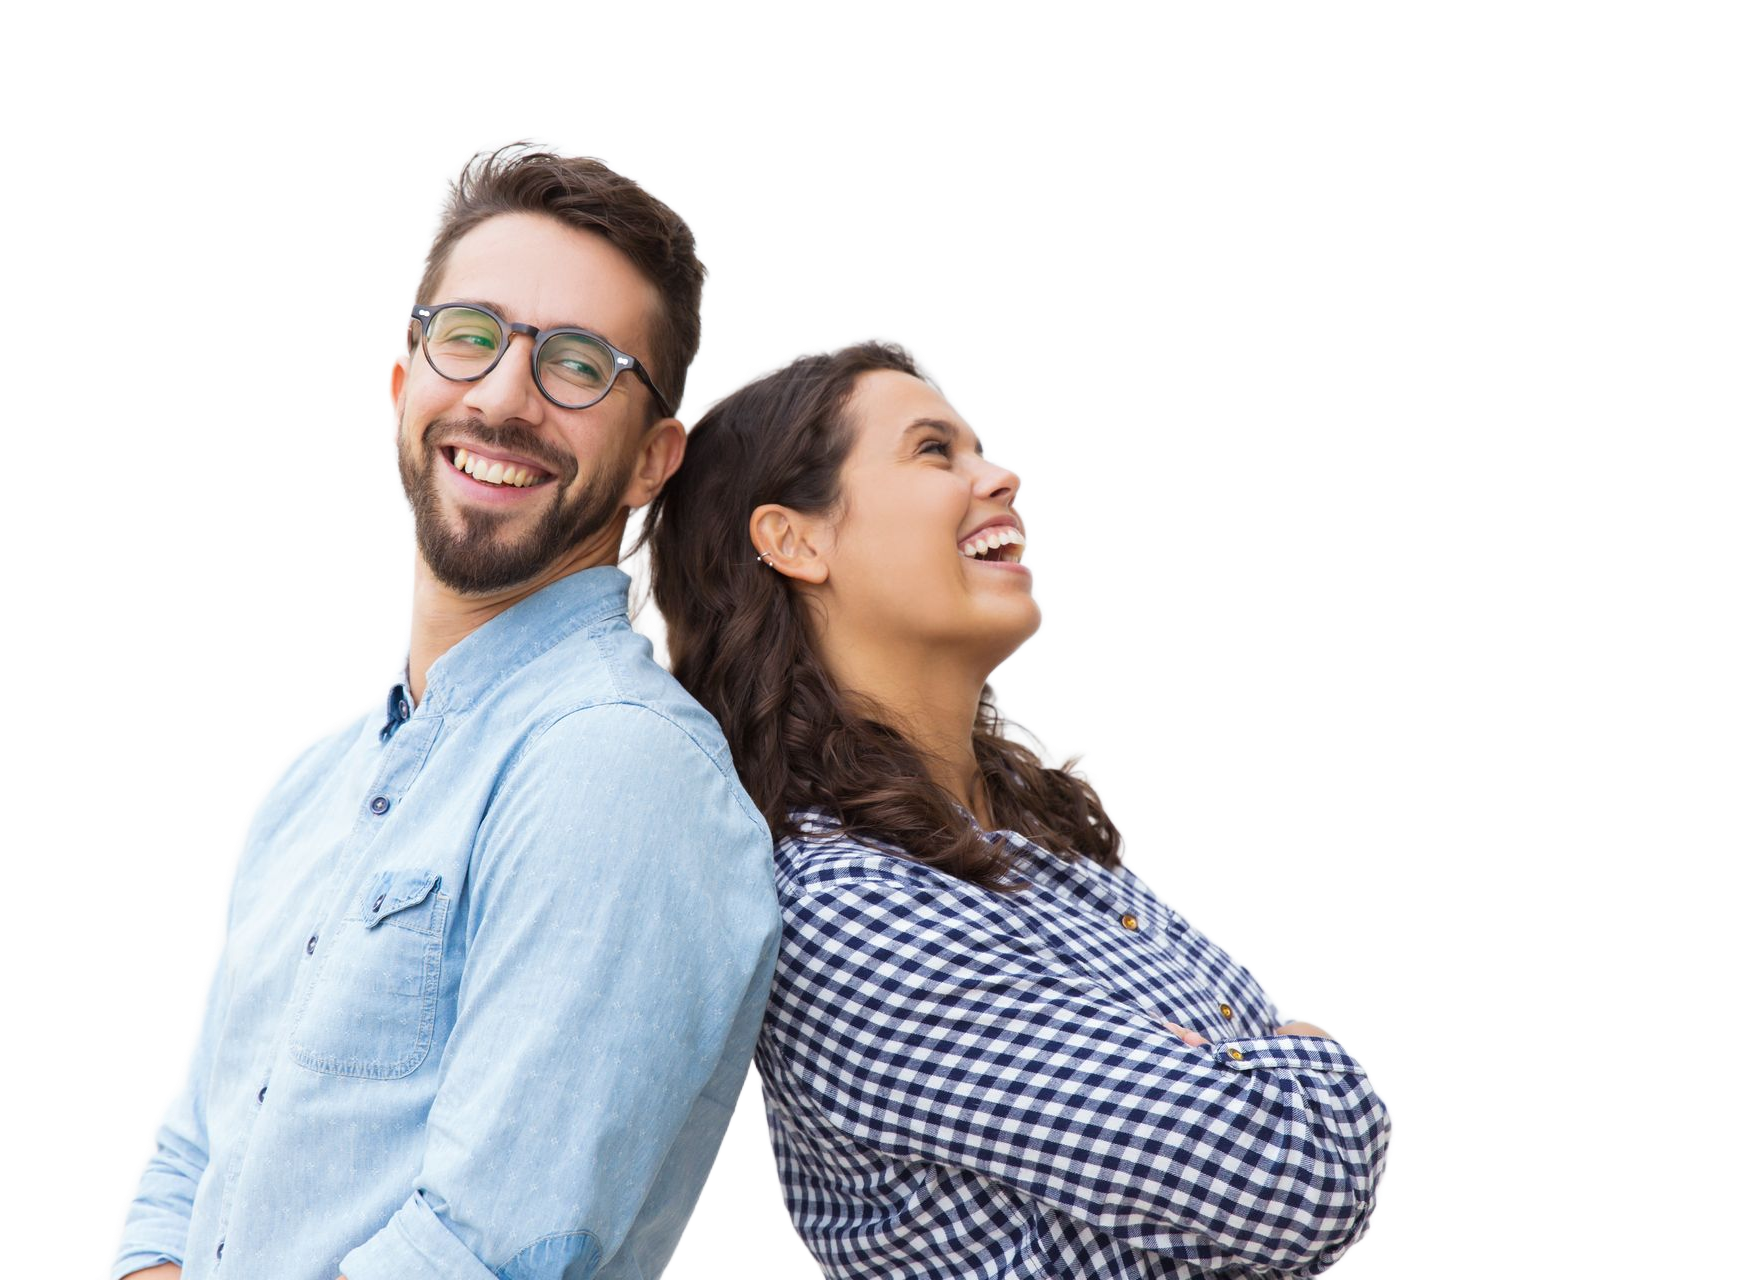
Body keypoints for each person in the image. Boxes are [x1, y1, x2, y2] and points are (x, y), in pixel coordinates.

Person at [99, 135, 781, 1280]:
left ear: (656, 456)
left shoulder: (619, 771)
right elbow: (182, 1170)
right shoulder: (306, 782)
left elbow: (488, 1252)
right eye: (470, 337)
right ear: (404, 379)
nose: (505, 397)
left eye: (579, 364)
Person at [631, 334, 1398, 1278]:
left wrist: (1257, 1068)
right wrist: (1283, 1050)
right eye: (933, 451)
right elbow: (1296, 1176)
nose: (1003, 476)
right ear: (795, 539)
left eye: (979, 447)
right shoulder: (850, 909)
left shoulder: (1038, 841)